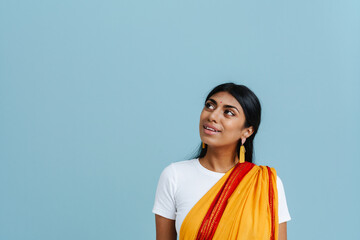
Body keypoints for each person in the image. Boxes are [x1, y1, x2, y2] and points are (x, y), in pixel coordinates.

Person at [152, 82, 291, 240]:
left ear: (247, 131)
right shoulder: (174, 176)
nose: (212, 116)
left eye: (229, 113)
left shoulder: (267, 184)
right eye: (210, 106)